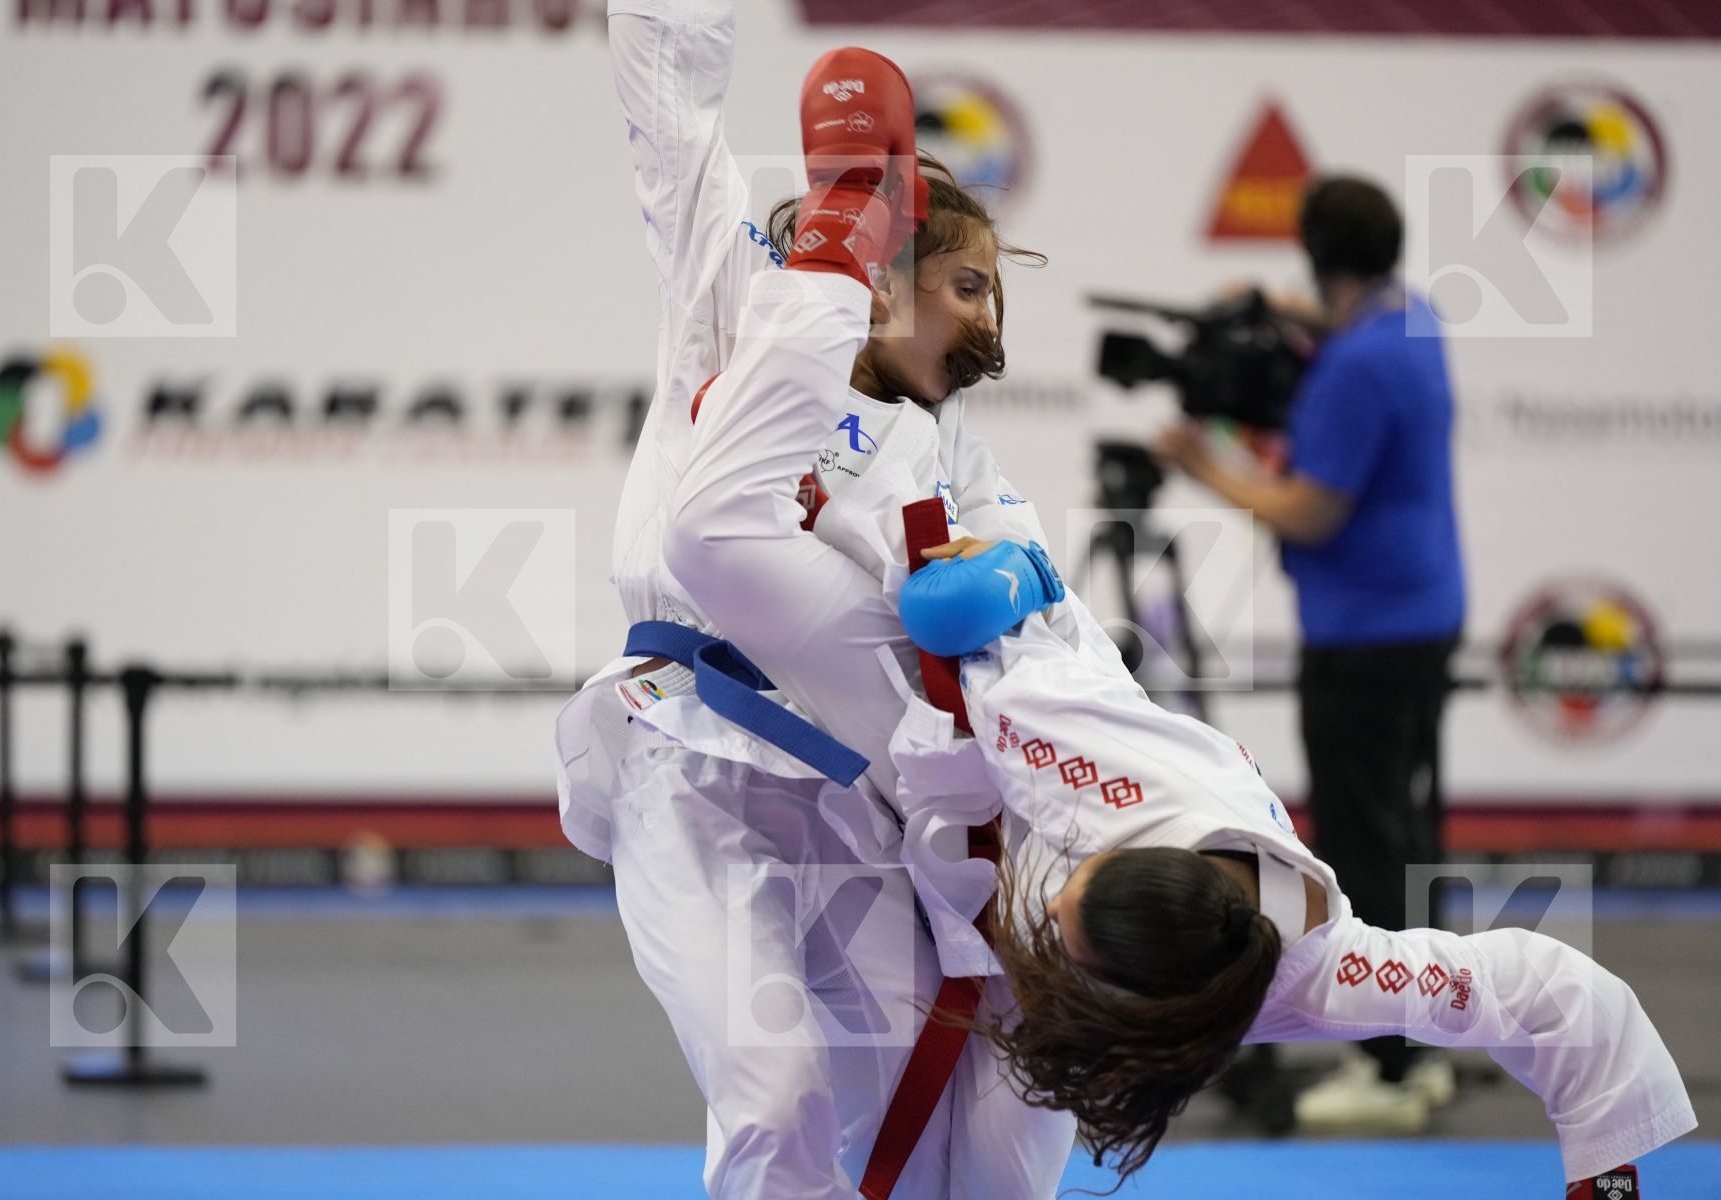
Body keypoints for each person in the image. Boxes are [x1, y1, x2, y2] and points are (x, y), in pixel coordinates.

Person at [660, 112, 1697, 1196]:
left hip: (1049, 968)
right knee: (767, 552)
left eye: (1059, 933)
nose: (1051, 919)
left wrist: (1600, 1164)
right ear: (1108, 860)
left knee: (998, 1176)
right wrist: (1020, 575)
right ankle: (814, 267)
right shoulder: (1092, 774)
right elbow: (977, 628)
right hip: (1014, 704)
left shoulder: (1275, 976)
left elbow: (1541, 995)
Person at [553, 7, 1074, 1196]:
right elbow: (669, 113)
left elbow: (1033, 611)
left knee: (919, 1099)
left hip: (851, 801)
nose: (991, 325)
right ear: (882, 267)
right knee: (776, 1098)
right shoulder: (742, 303)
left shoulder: (951, 453)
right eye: (969, 286)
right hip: (687, 765)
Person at [1156, 174, 1466, 1133]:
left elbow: (1309, 510)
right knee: (1404, 833)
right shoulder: (1409, 324)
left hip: (1365, 637)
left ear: (1313, 249)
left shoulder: (1353, 372)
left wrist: (1202, 461)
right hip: (1423, 614)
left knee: (1364, 845)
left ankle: (1391, 1064)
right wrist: (1271, 310)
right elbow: (1339, 319)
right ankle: (1430, 1035)